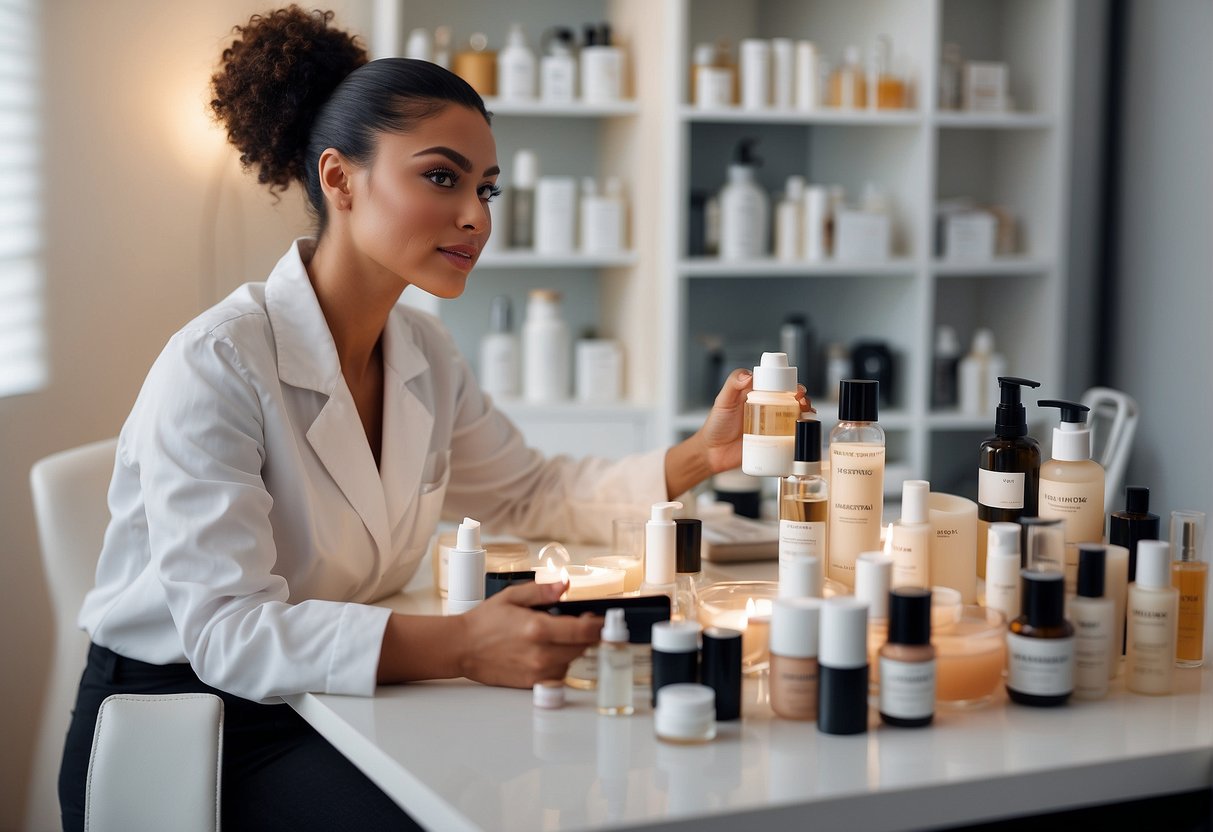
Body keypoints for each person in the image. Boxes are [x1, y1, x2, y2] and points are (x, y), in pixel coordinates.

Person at [58, 6, 810, 830]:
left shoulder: (421, 350)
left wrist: (701, 456)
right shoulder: (218, 364)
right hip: (193, 726)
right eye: (442, 178)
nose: (477, 218)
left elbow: (529, 493)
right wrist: (460, 644)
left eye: (485, 188)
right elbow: (230, 634)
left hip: (342, 697)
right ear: (340, 179)